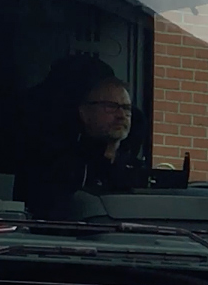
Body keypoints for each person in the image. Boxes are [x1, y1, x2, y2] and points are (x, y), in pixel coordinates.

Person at [17, 55, 147, 219]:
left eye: (126, 108)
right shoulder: (59, 169)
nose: (121, 115)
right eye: (111, 107)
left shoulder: (137, 171)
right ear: (84, 113)